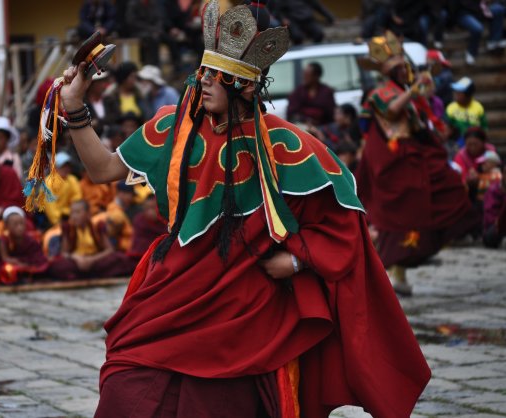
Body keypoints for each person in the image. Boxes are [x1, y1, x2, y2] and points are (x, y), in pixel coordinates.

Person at [53, 3, 430, 415]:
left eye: (220, 76)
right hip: (171, 287)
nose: (206, 82)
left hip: (246, 301)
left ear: (248, 86)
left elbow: (344, 223)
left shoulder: (285, 145)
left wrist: (300, 261)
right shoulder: (172, 126)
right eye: (204, 72)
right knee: (125, 379)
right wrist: (74, 106)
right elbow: (103, 168)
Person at [356, 31, 480, 296]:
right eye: (398, 68)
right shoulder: (380, 93)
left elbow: (421, 120)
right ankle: (389, 270)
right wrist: (413, 90)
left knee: (445, 191)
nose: (403, 71)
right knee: (400, 216)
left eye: (405, 66)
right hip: (391, 161)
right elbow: (391, 111)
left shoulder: (409, 92)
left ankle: (408, 261)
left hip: (413, 155)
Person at [0, 206, 49, 284]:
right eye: (15, 224)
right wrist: (16, 262)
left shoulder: (30, 240)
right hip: (12, 265)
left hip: (25, 264)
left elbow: (38, 258)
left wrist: (24, 263)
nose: (20, 228)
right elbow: (5, 259)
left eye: (21, 224)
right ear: (6, 226)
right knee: (8, 269)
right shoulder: (3, 240)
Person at [451, 0, 506, 64]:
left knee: (498, 9)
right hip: (465, 13)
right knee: (477, 28)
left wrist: (485, 6)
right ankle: (471, 52)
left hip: (480, 11)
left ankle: (494, 41)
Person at [453, 127, 498, 201]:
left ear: (483, 142)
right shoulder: (460, 157)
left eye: (476, 144)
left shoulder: (491, 153)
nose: (472, 148)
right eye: (469, 144)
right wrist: (467, 180)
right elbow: (459, 180)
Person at [286, 62, 336, 126]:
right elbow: (291, 113)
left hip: (322, 127)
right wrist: (305, 120)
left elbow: (331, 114)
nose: (304, 77)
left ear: (316, 76)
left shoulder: (326, 92)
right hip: (303, 126)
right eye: (304, 74)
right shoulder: (299, 92)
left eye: (307, 75)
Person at [44, 152, 84, 225]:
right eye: (63, 166)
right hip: (56, 221)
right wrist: (58, 222)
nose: (66, 168)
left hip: (72, 216)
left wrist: (74, 215)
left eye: (67, 166)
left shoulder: (72, 179)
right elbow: (51, 209)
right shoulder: (48, 183)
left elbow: (77, 199)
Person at [446, 77, 488, 144]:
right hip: (456, 144)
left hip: (475, 143)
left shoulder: (478, 107)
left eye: (459, 93)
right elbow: (447, 129)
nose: (456, 95)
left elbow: (484, 128)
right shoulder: (451, 108)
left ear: (468, 95)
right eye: (456, 93)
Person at [124, 0, 165, 65]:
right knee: (151, 39)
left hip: (153, 31)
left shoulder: (153, 3)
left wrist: (157, 29)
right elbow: (131, 22)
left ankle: (177, 64)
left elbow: (159, 18)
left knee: (169, 38)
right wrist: (151, 29)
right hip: (138, 31)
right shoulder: (133, 4)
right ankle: (152, 64)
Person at [483, 165, 506, 248]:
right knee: (490, 237)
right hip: (497, 225)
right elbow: (489, 213)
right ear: (503, 175)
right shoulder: (494, 189)